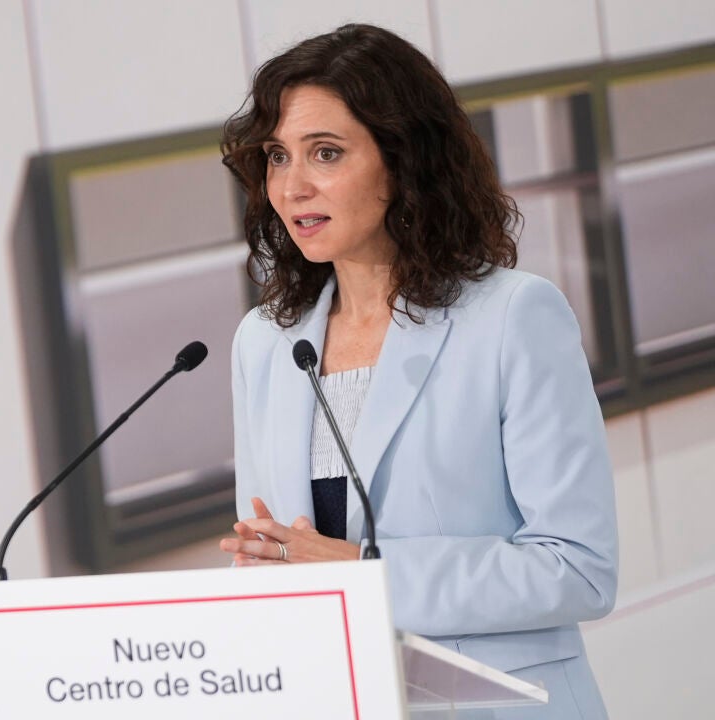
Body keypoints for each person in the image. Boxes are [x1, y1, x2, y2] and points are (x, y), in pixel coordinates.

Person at [216, 24, 617, 718]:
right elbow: (272, 556)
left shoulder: (514, 317)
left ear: (404, 161)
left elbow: (578, 568)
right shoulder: (265, 342)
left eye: (326, 153)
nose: (293, 186)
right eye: (278, 156)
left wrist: (365, 574)